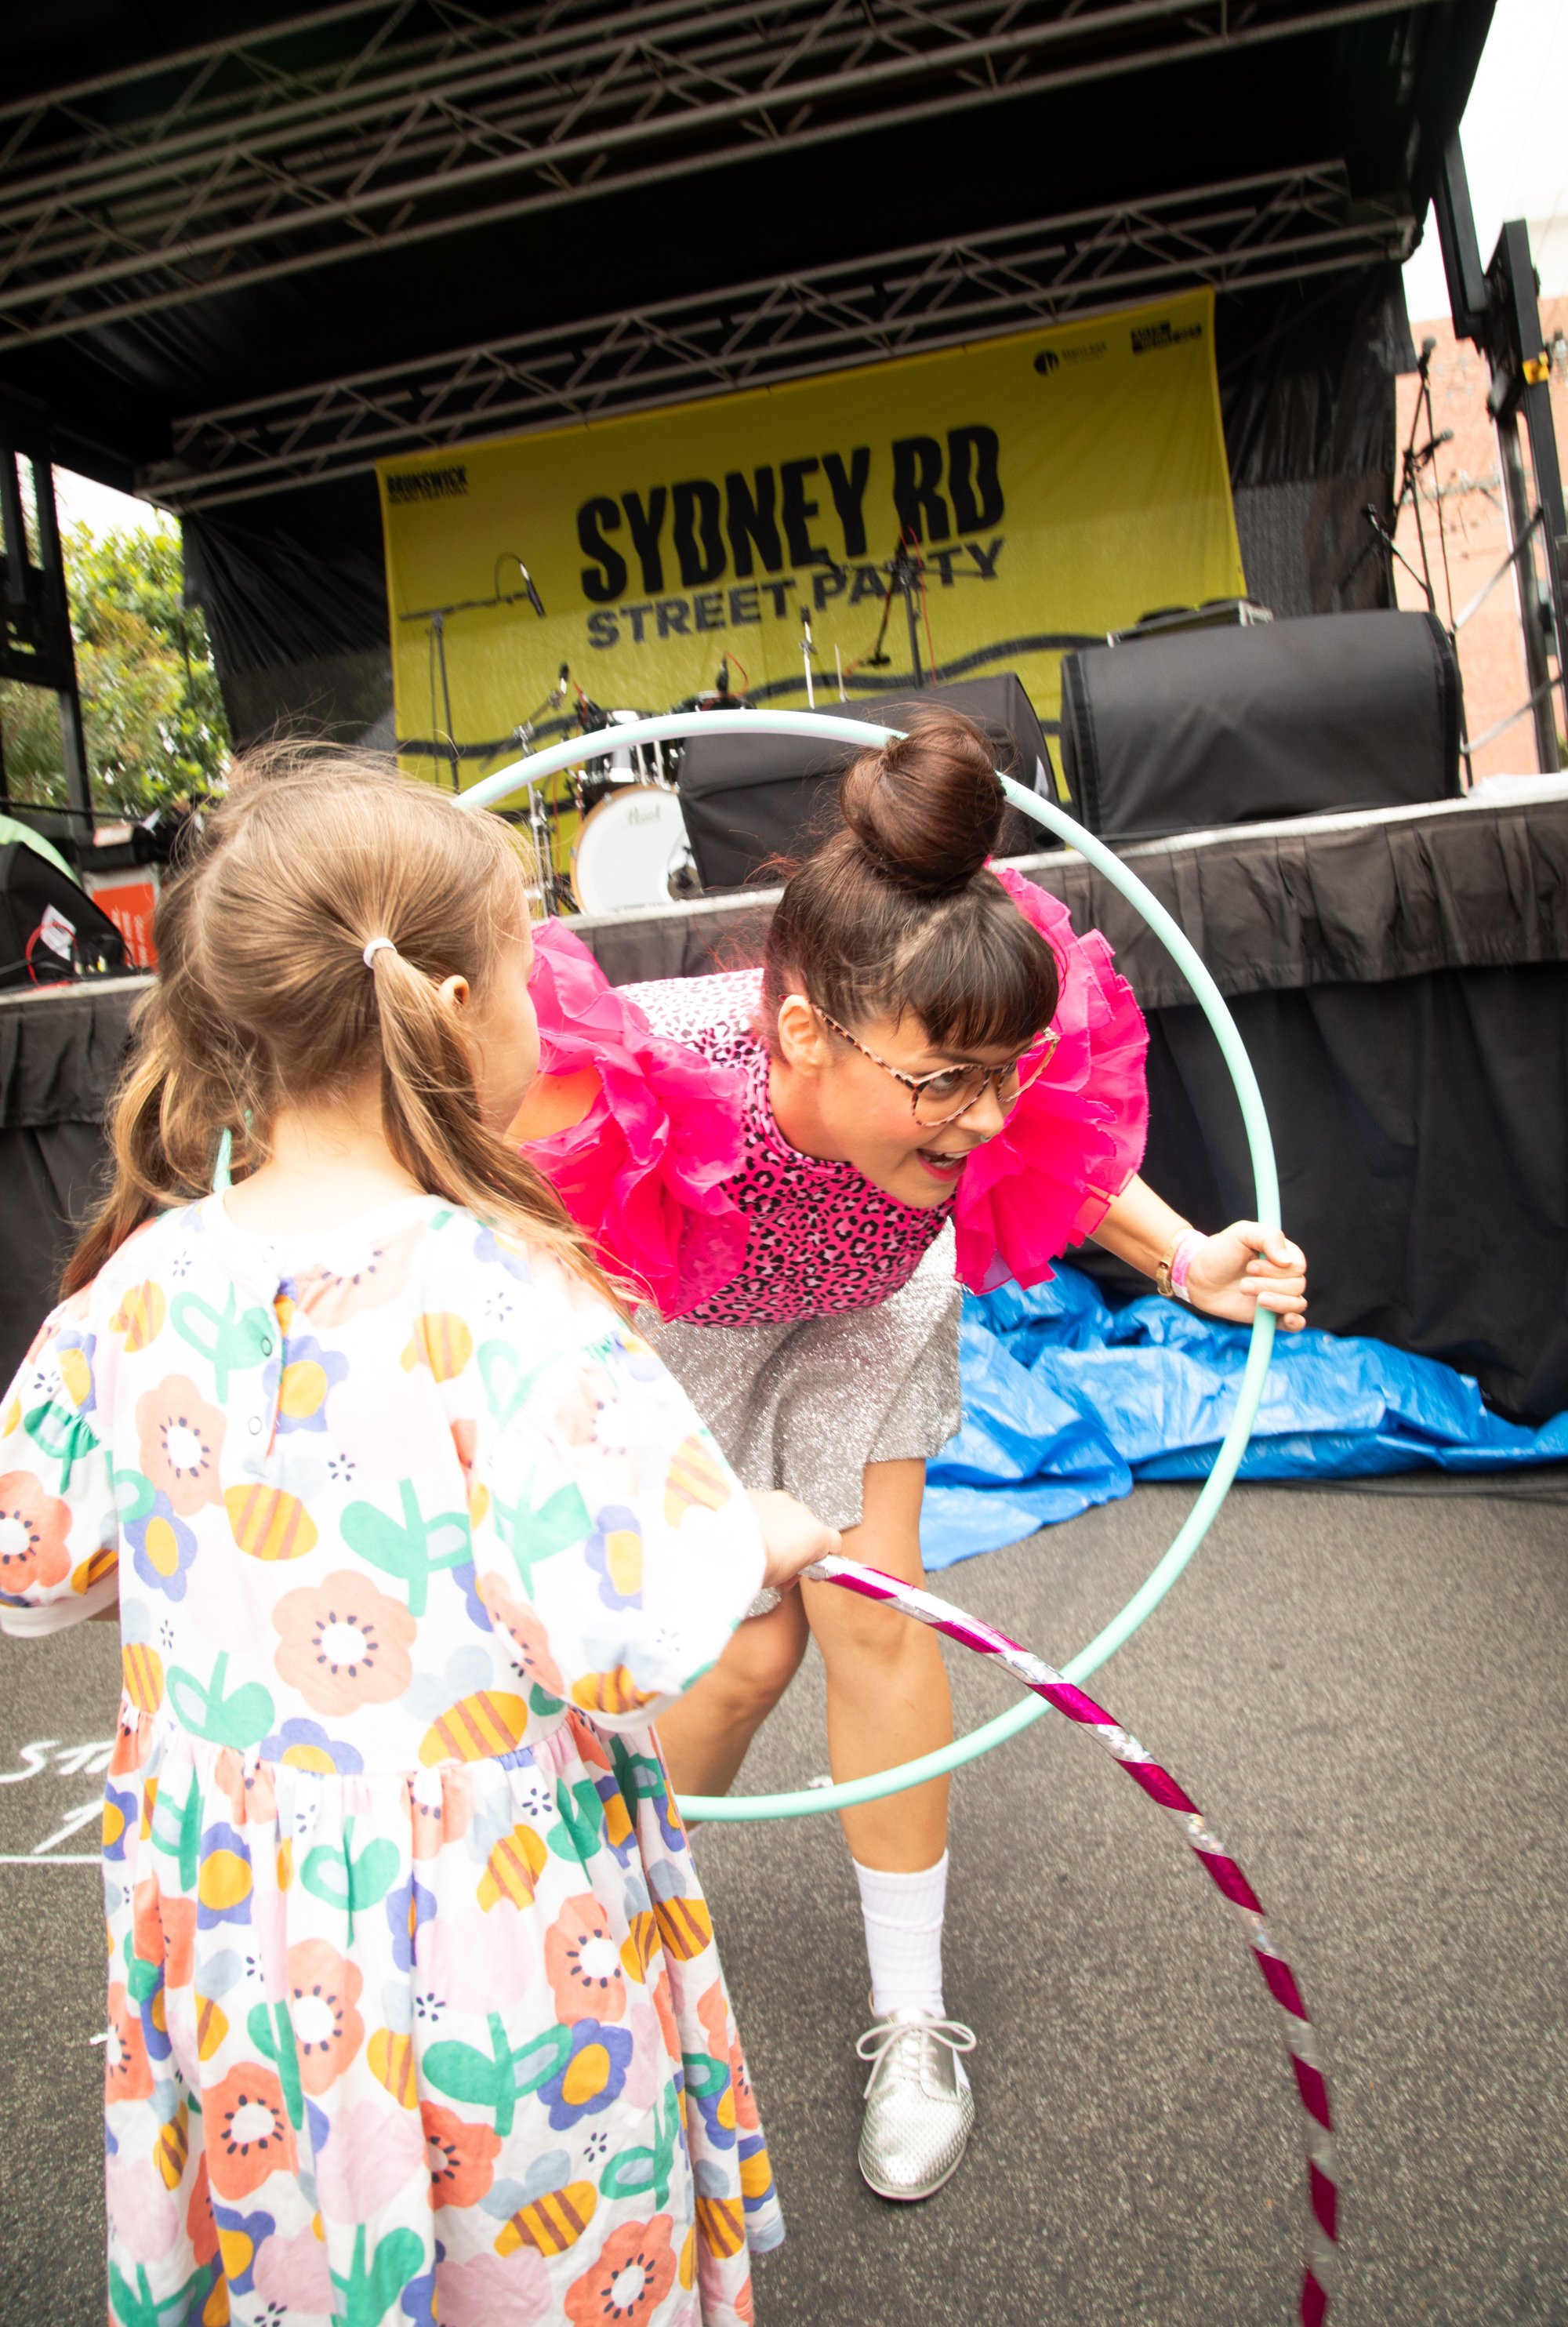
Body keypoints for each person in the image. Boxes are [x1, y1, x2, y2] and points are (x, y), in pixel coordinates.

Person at [0, 753, 837, 2327]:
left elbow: (33, 1574)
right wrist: (764, 1534)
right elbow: (644, 1618)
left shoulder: (137, 1288)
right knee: (520, 2258)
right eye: (534, 968)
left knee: (298, 2256)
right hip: (490, 1941)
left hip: (240, 1956)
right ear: (456, 1008)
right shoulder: (512, 1298)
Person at [511, 710, 1308, 2204]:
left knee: (869, 1609)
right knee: (738, 1661)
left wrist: (1186, 1252)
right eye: (947, 1082)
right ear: (804, 1033)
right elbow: (518, 1237)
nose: (988, 1111)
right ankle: (585, 1944)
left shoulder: (961, 1079)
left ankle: (910, 2013)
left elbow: (1054, 1160)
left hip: (873, 1309)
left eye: (1004, 1071)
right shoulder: (672, 1067)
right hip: (687, 1323)